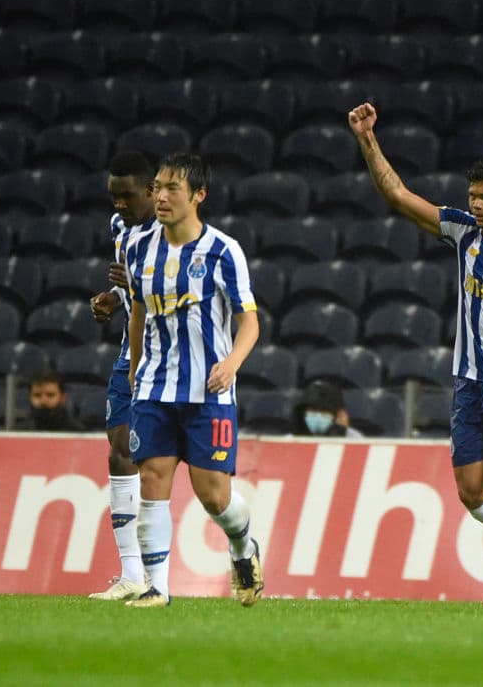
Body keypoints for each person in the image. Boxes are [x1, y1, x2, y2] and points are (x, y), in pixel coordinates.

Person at [348, 102, 483, 607]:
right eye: (473, 197)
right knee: (471, 493)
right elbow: (397, 195)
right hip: (470, 382)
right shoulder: (464, 233)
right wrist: (366, 138)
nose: (478, 205)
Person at [124, 153, 263, 608]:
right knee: (152, 477)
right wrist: (135, 365)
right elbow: (140, 311)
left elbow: (249, 322)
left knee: (214, 496)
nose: (160, 197)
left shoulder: (223, 251)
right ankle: (156, 588)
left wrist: (232, 363)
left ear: (198, 195)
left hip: (209, 390)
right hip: (153, 388)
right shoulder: (138, 248)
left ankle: (243, 546)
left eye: (173, 189)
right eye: (157, 188)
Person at [87, 151, 157, 601]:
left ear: (151, 190)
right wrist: (114, 298)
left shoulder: (171, 232)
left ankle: (239, 544)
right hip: (132, 350)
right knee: (119, 448)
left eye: (126, 195)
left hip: (170, 354)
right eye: (113, 197)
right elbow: (128, 285)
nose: (119, 205)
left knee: (197, 476)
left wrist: (130, 284)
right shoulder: (120, 228)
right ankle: (132, 573)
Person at [15, 368, 86, 431]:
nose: (43, 401)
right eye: (37, 395)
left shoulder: (77, 432)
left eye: (50, 395)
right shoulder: (19, 432)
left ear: (62, 398)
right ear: (30, 398)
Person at [293, 380, 364, 438]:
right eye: (312, 410)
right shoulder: (290, 440)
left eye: (324, 411)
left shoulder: (354, 439)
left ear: (337, 415)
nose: (317, 416)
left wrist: (339, 434)